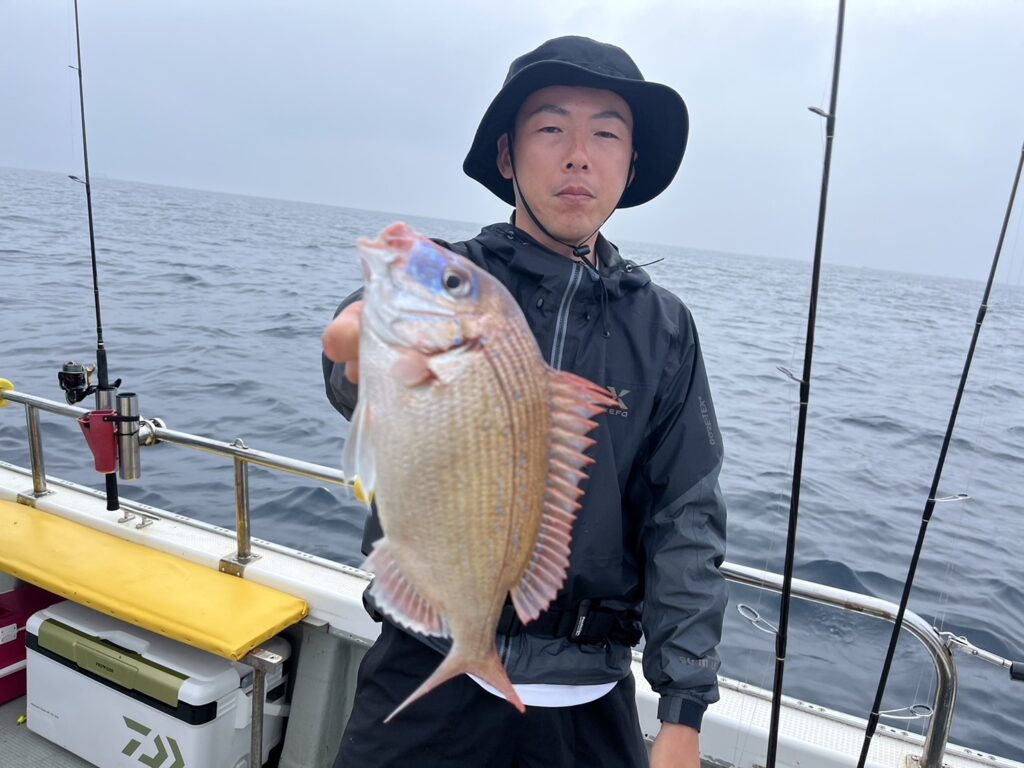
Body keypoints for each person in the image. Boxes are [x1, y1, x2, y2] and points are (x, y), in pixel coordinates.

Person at [322, 36, 727, 768]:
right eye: (550, 127)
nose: (578, 155)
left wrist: (684, 709)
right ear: (507, 156)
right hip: (425, 662)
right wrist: (363, 360)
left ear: (631, 164)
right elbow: (360, 354)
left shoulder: (664, 327)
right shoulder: (454, 278)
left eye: (606, 133)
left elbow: (685, 515)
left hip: (589, 696)